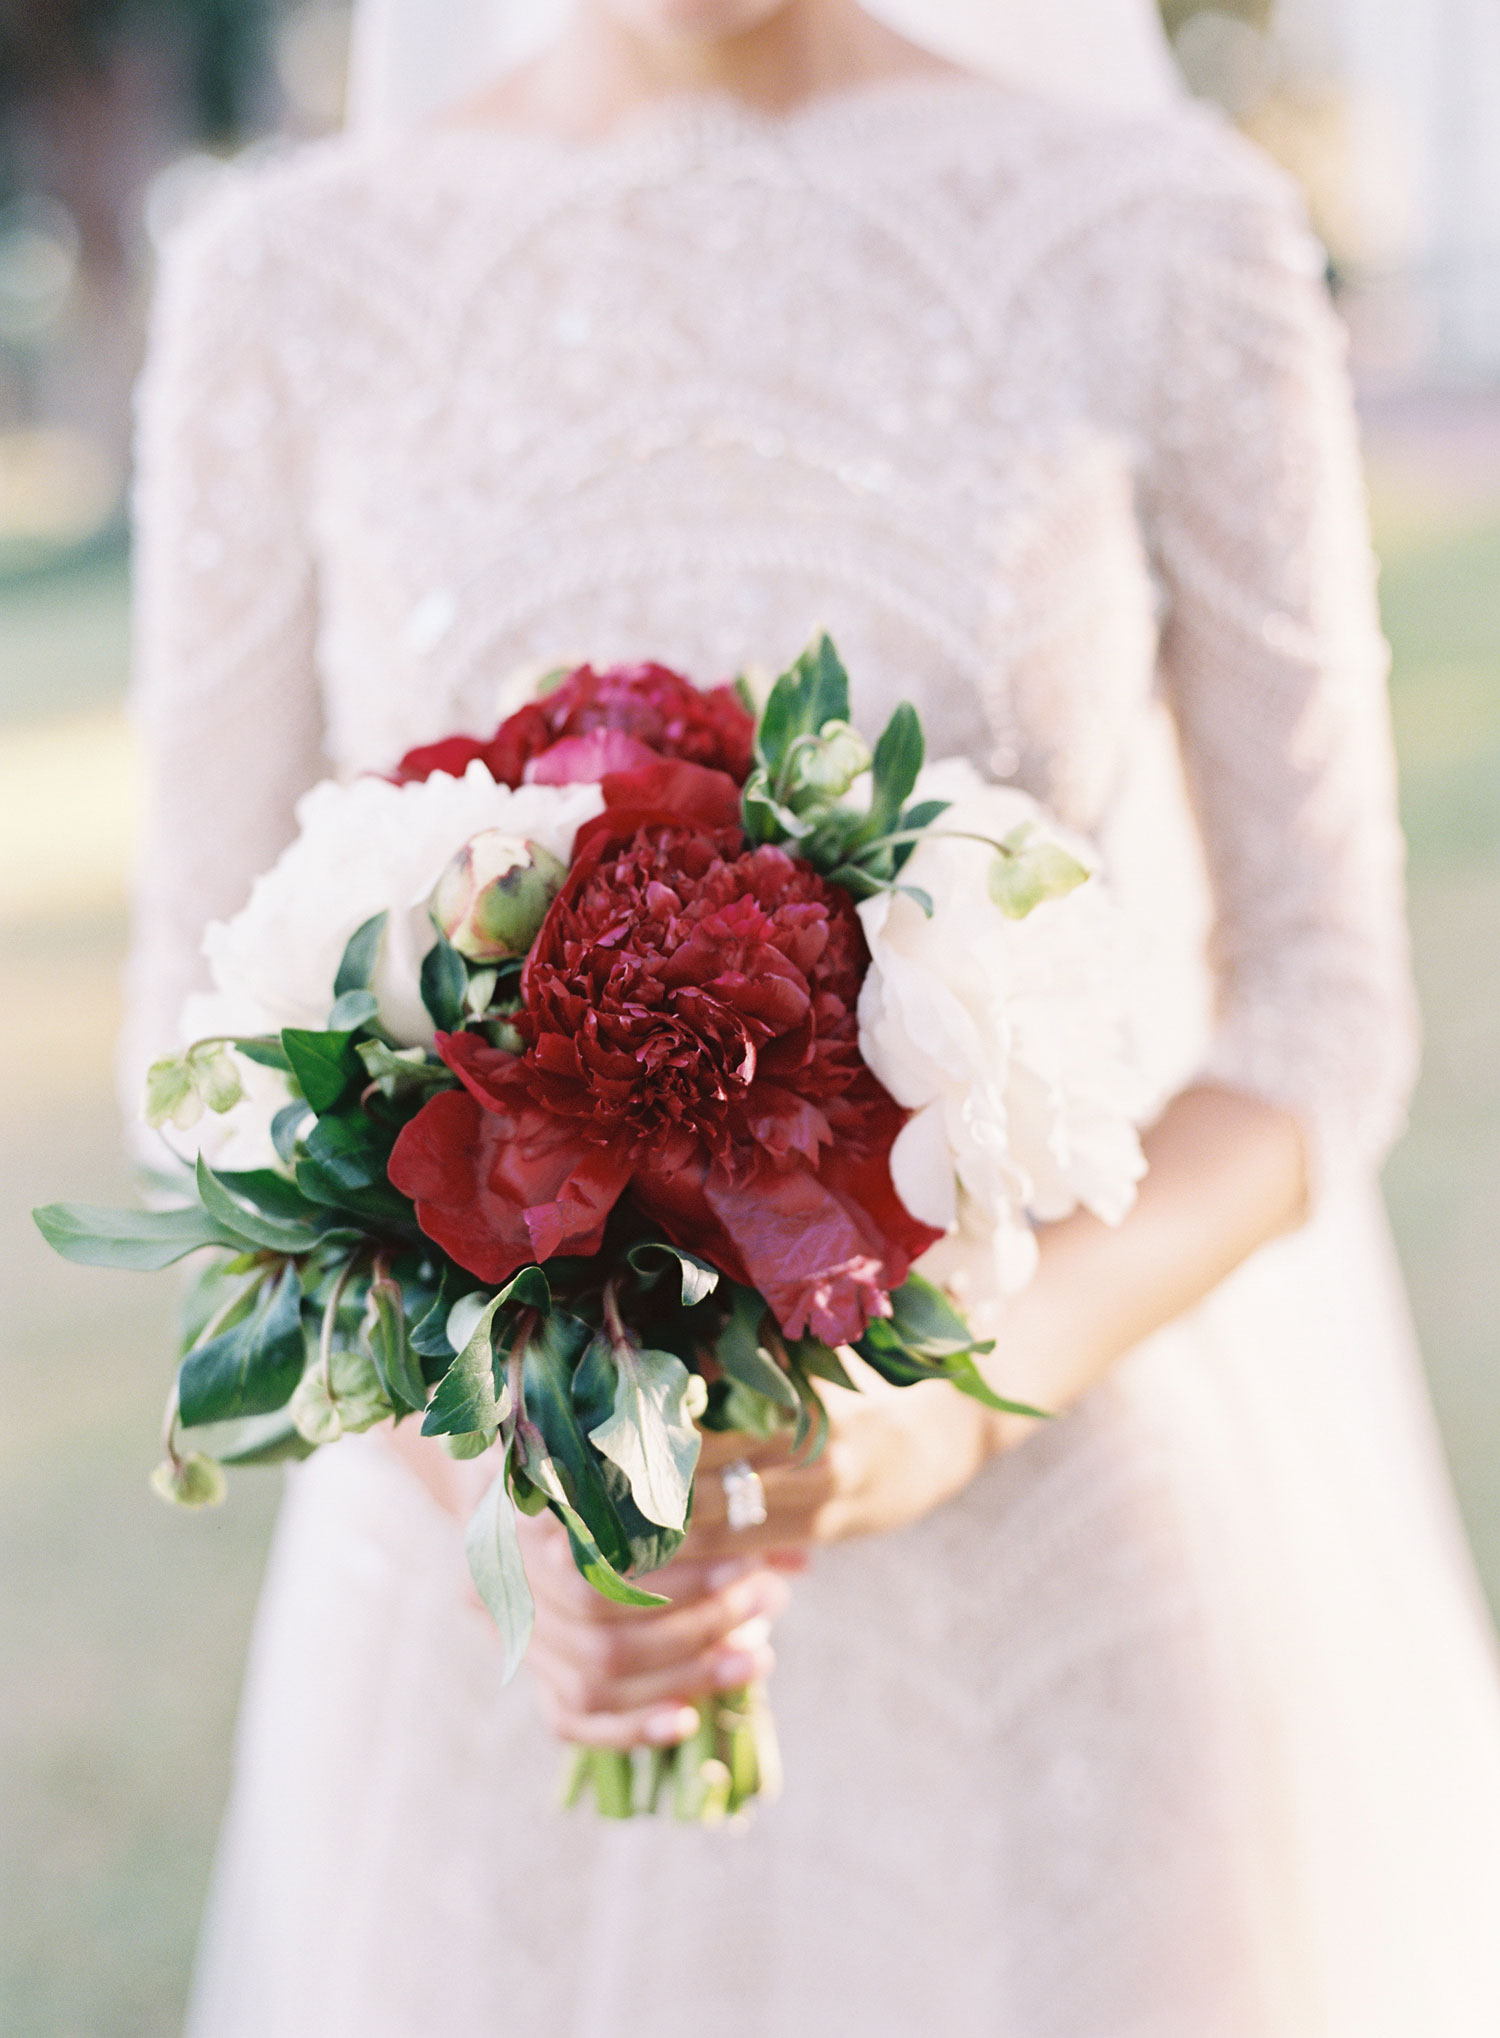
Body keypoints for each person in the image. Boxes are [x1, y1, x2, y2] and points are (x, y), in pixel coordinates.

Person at [125, 1, 1500, 2031]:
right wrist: (517, 1487)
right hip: (516, 1615)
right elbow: (202, 1040)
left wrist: (961, 1389)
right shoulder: (287, 284)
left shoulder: (1170, 232)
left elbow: (1320, 1015)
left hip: (1070, 1562)